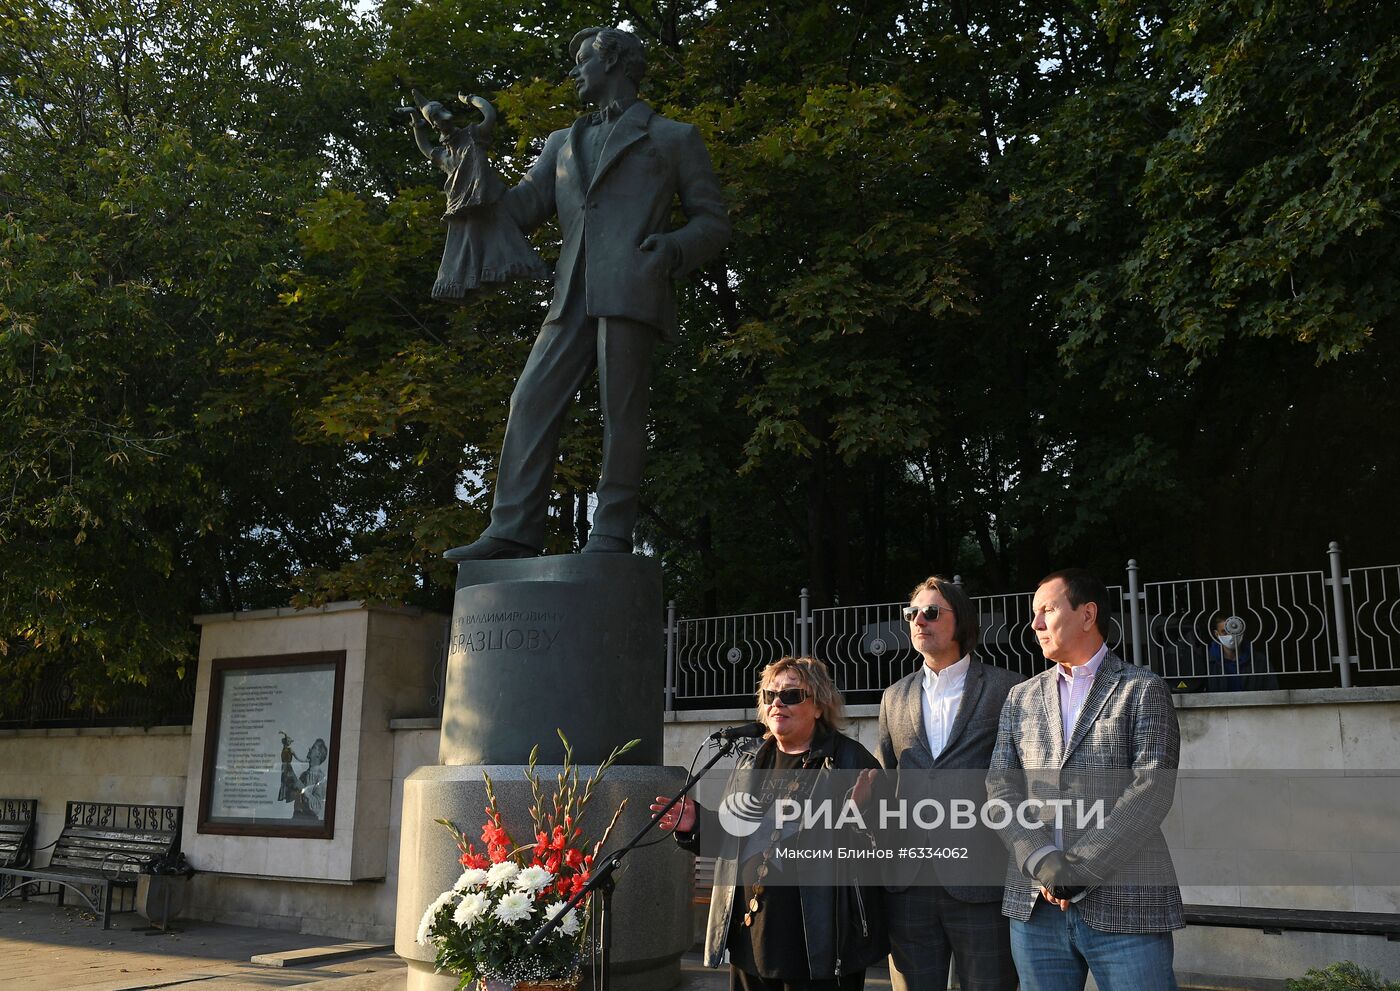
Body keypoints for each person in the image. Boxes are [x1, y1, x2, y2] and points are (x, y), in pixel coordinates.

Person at [443, 26, 731, 561]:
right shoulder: (561, 143)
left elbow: (712, 222)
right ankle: (512, 531)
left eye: (582, 60)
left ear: (613, 61)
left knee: (621, 415)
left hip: (631, 286)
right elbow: (516, 211)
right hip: (569, 293)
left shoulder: (673, 137)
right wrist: (467, 154)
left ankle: (611, 533)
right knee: (529, 400)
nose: (574, 71)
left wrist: (671, 248)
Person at [988, 569, 1182, 991]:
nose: (1035, 624)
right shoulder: (1020, 696)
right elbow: (1000, 788)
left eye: (1047, 610)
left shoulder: (1142, 689)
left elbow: (1151, 789)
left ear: (1087, 614)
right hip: (1035, 909)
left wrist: (1078, 870)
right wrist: (1043, 861)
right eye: (1033, 614)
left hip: (1127, 903)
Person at [650, 657, 886, 991]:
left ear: (819, 706)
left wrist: (862, 819)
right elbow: (735, 837)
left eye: (791, 695)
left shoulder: (851, 761)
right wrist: (697, 824)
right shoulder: (750, 761)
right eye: (770, 695)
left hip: (820, 948)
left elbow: (883, 848)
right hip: (751, 940)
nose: (778, 703)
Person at [875, 576, 1022, 991]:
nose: (919, 621)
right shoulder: (893, 696)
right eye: (912, 613)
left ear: (962, 621)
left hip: (983, 880)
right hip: (907, 883)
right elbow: (888, 779)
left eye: (931, 612)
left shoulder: (1008, 688)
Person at [399, 89, 550, 299]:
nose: (443, 116)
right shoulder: (445, 157)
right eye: (436, 116)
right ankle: (469, 280)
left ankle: (499, 271)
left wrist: (470, 99)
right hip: (463, 207)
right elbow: (425, 148)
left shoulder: (472, 134)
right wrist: (416, 122)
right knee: (469, 244)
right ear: (434, 125)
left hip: (488, 199)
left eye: (441, 110)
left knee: (496, 237)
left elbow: (489, 114)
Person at [1205, 613, 1278, 692]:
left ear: (1242, 630)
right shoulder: (1207, 662)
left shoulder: (1259, 661)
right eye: (1225, 632)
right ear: (1216, 634)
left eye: (1235, 629)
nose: (1231, 635)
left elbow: (1272, 690)